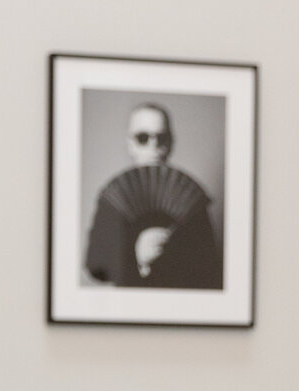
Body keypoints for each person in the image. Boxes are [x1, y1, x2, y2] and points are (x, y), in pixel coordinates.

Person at [84, 102, 222, 289]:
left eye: (161, 138)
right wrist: (136, 256)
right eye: (143, 138)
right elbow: (94, 265)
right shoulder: (114, 198)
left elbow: (210, 265)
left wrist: (175, 251)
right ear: (130, 144)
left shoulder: (190, 200)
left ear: (171, 143)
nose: (154, 145)